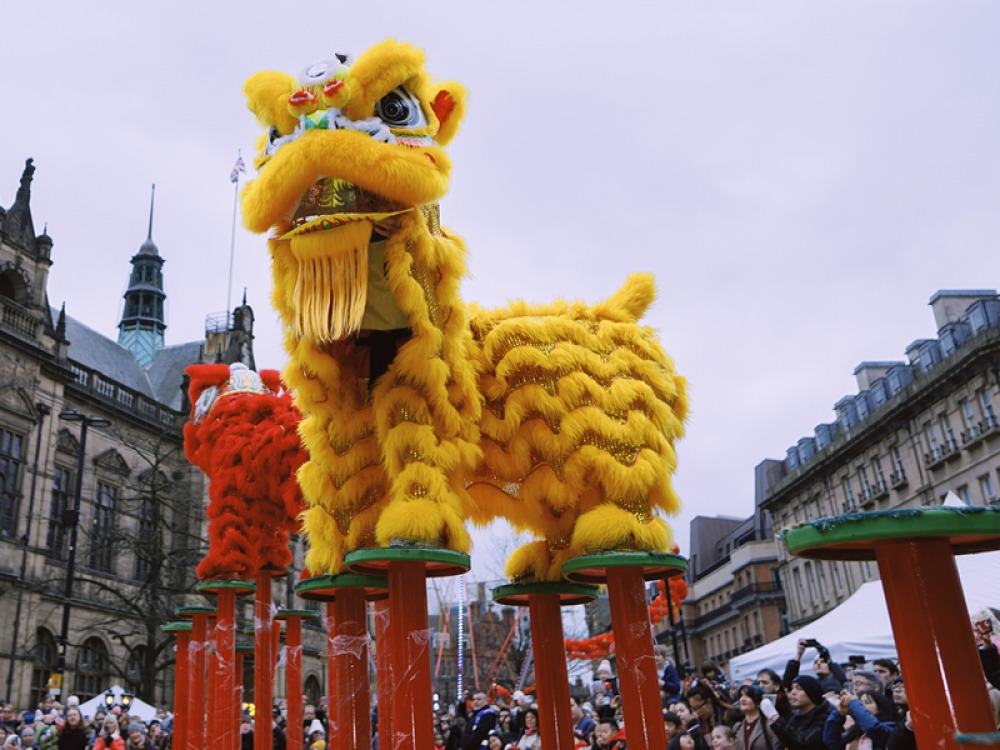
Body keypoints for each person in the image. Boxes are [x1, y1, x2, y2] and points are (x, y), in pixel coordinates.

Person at [767, 676, 832, 750]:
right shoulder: (795, 716)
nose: (793, 692)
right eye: (792, 688)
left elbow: (803, 745)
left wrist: (776, 719)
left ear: (811, 692)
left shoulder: (825, 717)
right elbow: (781, 744)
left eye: (799, 688)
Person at [823, 689, 897, 750]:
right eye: (860, 703)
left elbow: (872, 728)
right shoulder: (854, 733)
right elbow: (831, 740)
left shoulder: (891, 728)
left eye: (867, 702)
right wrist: (840, 712)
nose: (862, 706)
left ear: (880, 707)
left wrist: (853, 702)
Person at [732, 686, 775, 750]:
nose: (743, 699)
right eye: (741, 696)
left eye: (748, 696)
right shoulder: (737, 727)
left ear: (758, 702)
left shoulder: (769, 725)